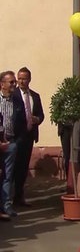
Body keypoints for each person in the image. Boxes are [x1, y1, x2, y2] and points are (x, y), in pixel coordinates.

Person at [13, 67, 44, 206]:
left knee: (23, 167)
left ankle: (19, 196)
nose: (21, 81)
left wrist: (37, 119)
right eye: (19, 78)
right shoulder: (12, 95)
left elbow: (41, 114)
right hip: (15, 136)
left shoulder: (34, 96)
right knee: (12, 167)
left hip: (28, 136)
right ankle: (7, 198)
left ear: (29, 79)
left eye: (24, 79)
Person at [0, 71, 26, 217]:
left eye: (14, 82)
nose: (14, 85)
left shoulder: (17, 101)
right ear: (2, 84)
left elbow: (22, 123)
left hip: (11, 143)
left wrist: (16, 141)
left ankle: (6, 205)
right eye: (11, 82)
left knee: (8, 175)